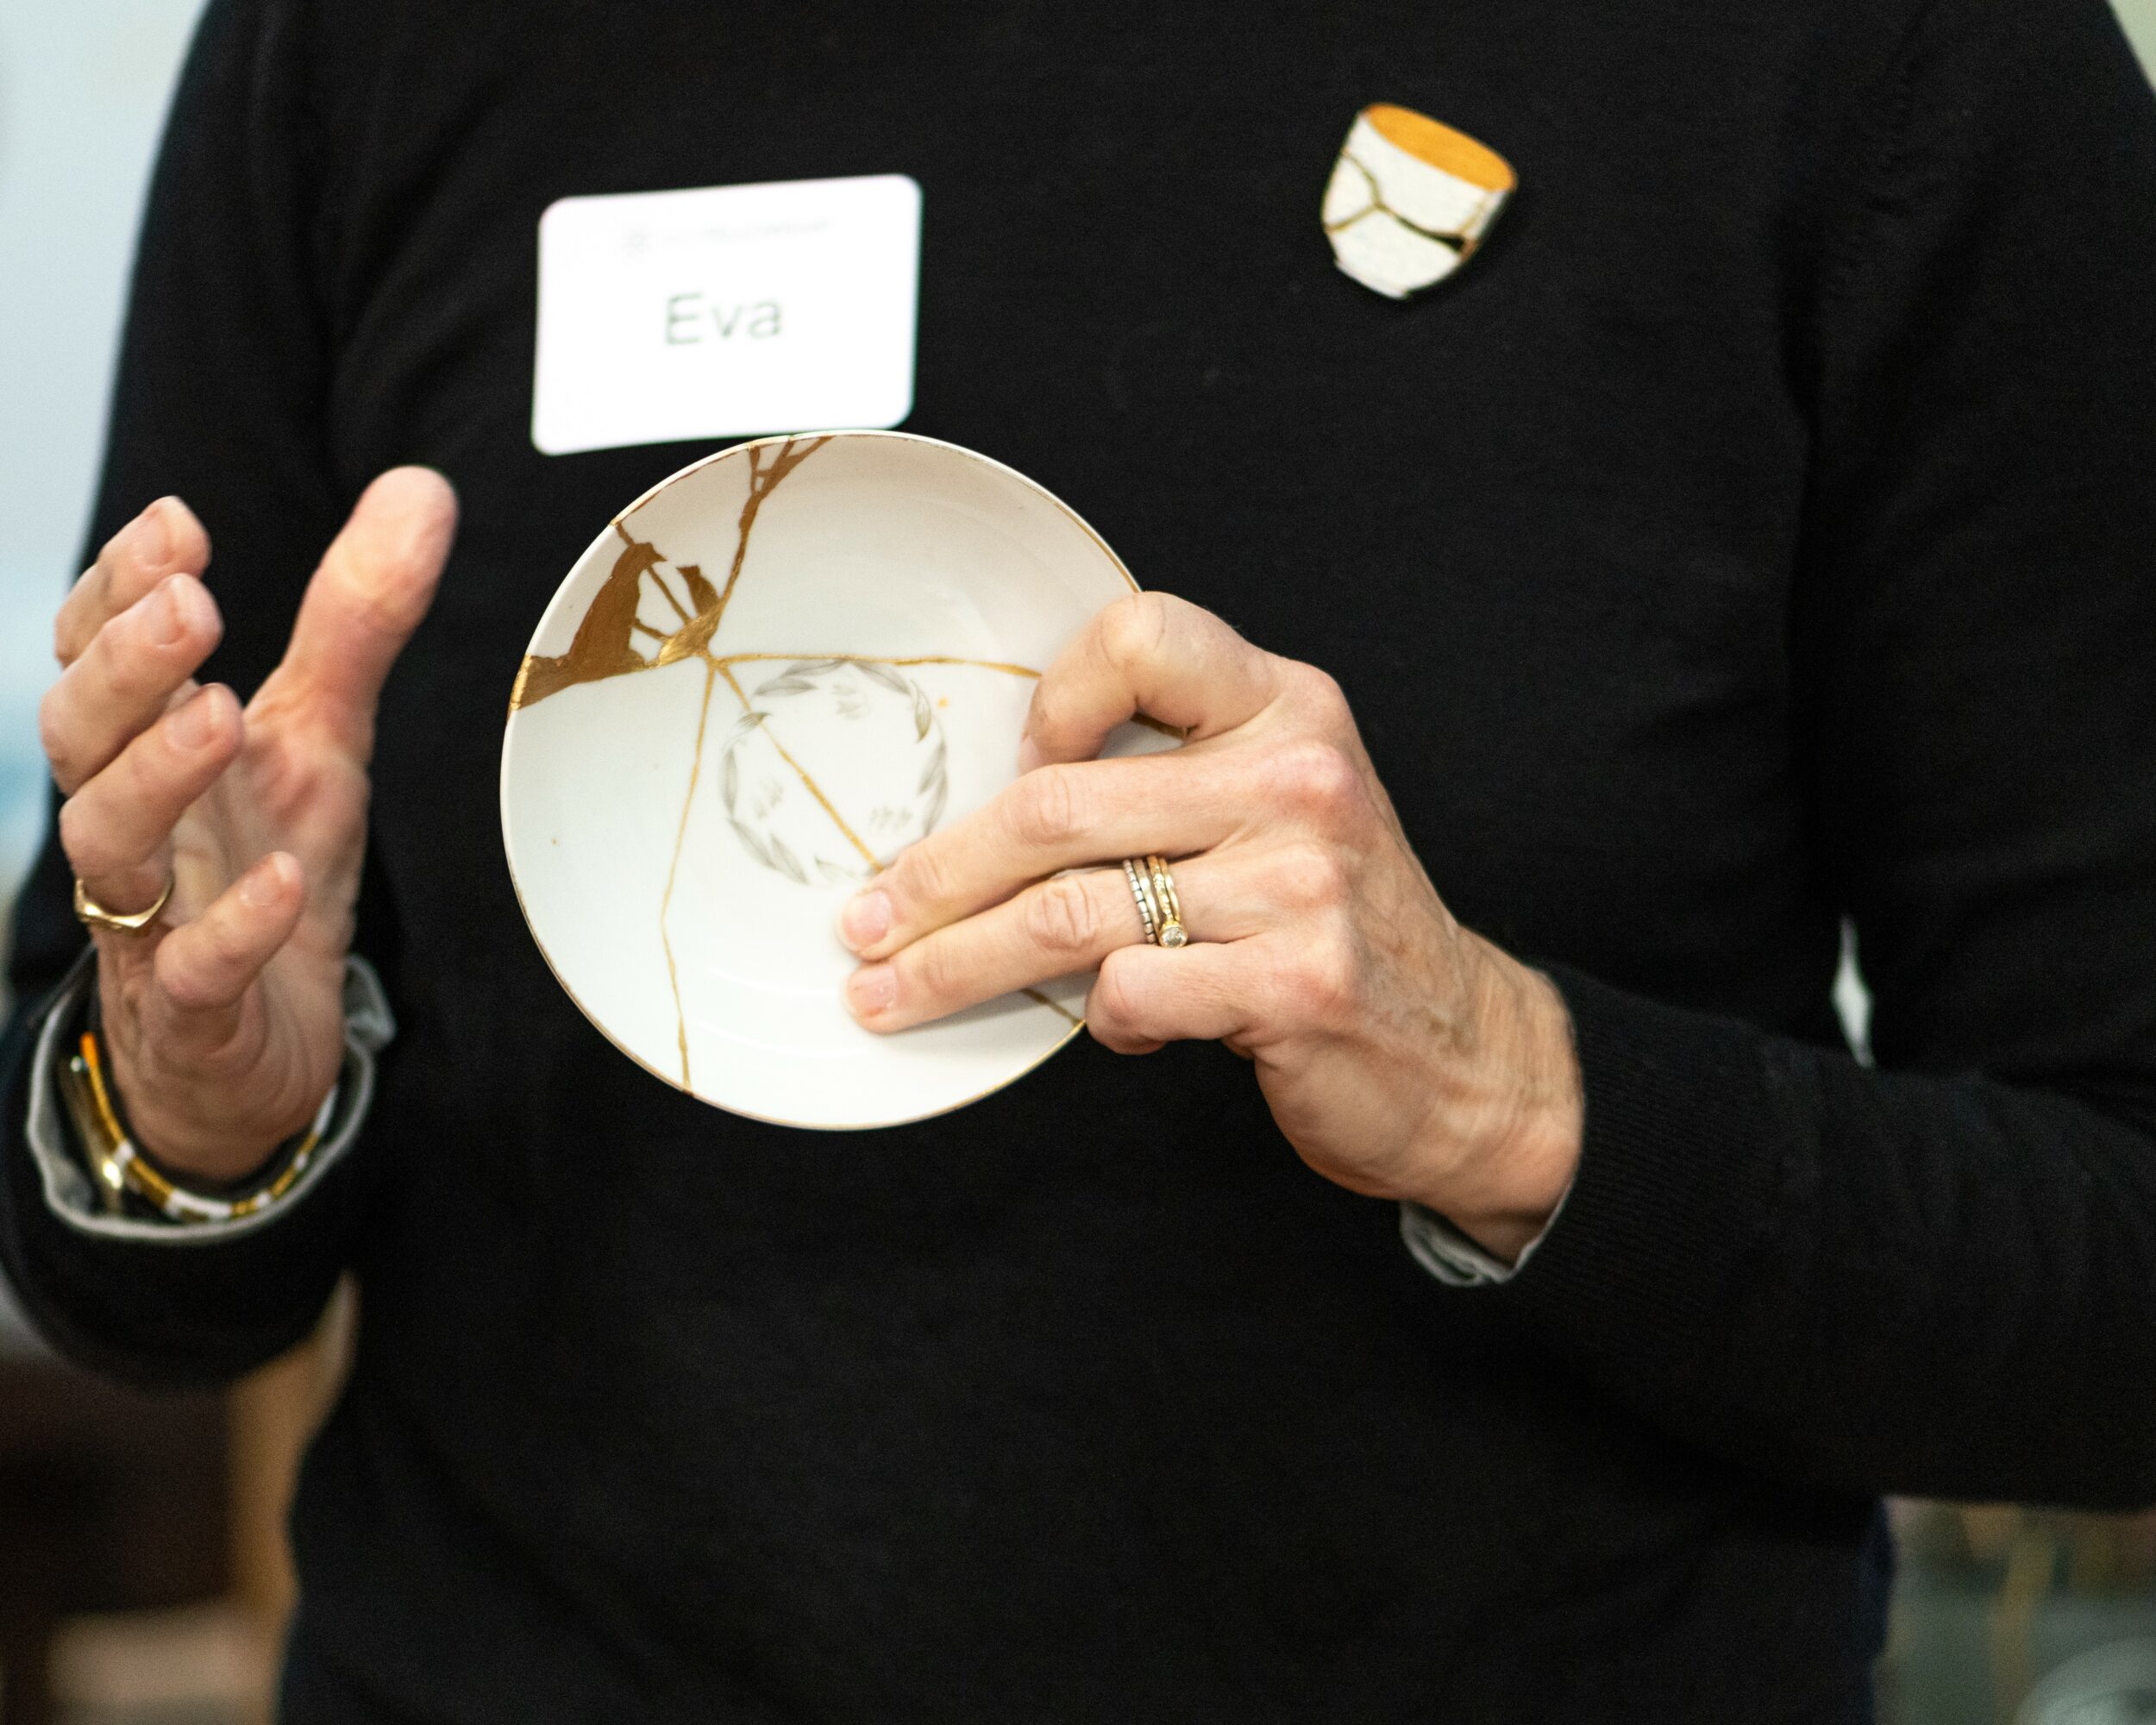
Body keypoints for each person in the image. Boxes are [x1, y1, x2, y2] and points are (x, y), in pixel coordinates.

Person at [5, 0, 2155, 1717]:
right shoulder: (373, 42)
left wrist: (1509, 1094)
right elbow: (111, 1221)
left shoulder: (1871, 58)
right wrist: (196, 1104)